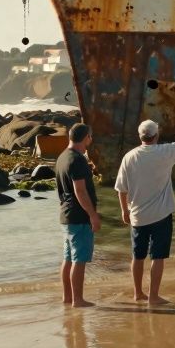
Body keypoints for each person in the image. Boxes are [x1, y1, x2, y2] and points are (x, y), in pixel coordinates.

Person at [115, 119, 175, 305]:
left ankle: (138, 293)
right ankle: (153, 296)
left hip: (137, 216)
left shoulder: (129, 157)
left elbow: (121, 189)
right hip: (161, 215)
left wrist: (124, 211)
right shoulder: (164, 152)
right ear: (156, 135)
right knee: (158, 256)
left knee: (137, 256)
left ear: (140, 136)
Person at [57, 123, 100, 308]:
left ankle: (68, 297)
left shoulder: (62, 157)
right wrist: (93, 215)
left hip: (66, 215)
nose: (91, 140)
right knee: (79, 260)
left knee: (68, 259)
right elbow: (80, 191)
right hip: (79, 215)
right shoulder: (77, 160)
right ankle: (78, 299)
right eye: (90, 136)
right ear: (86, 138)